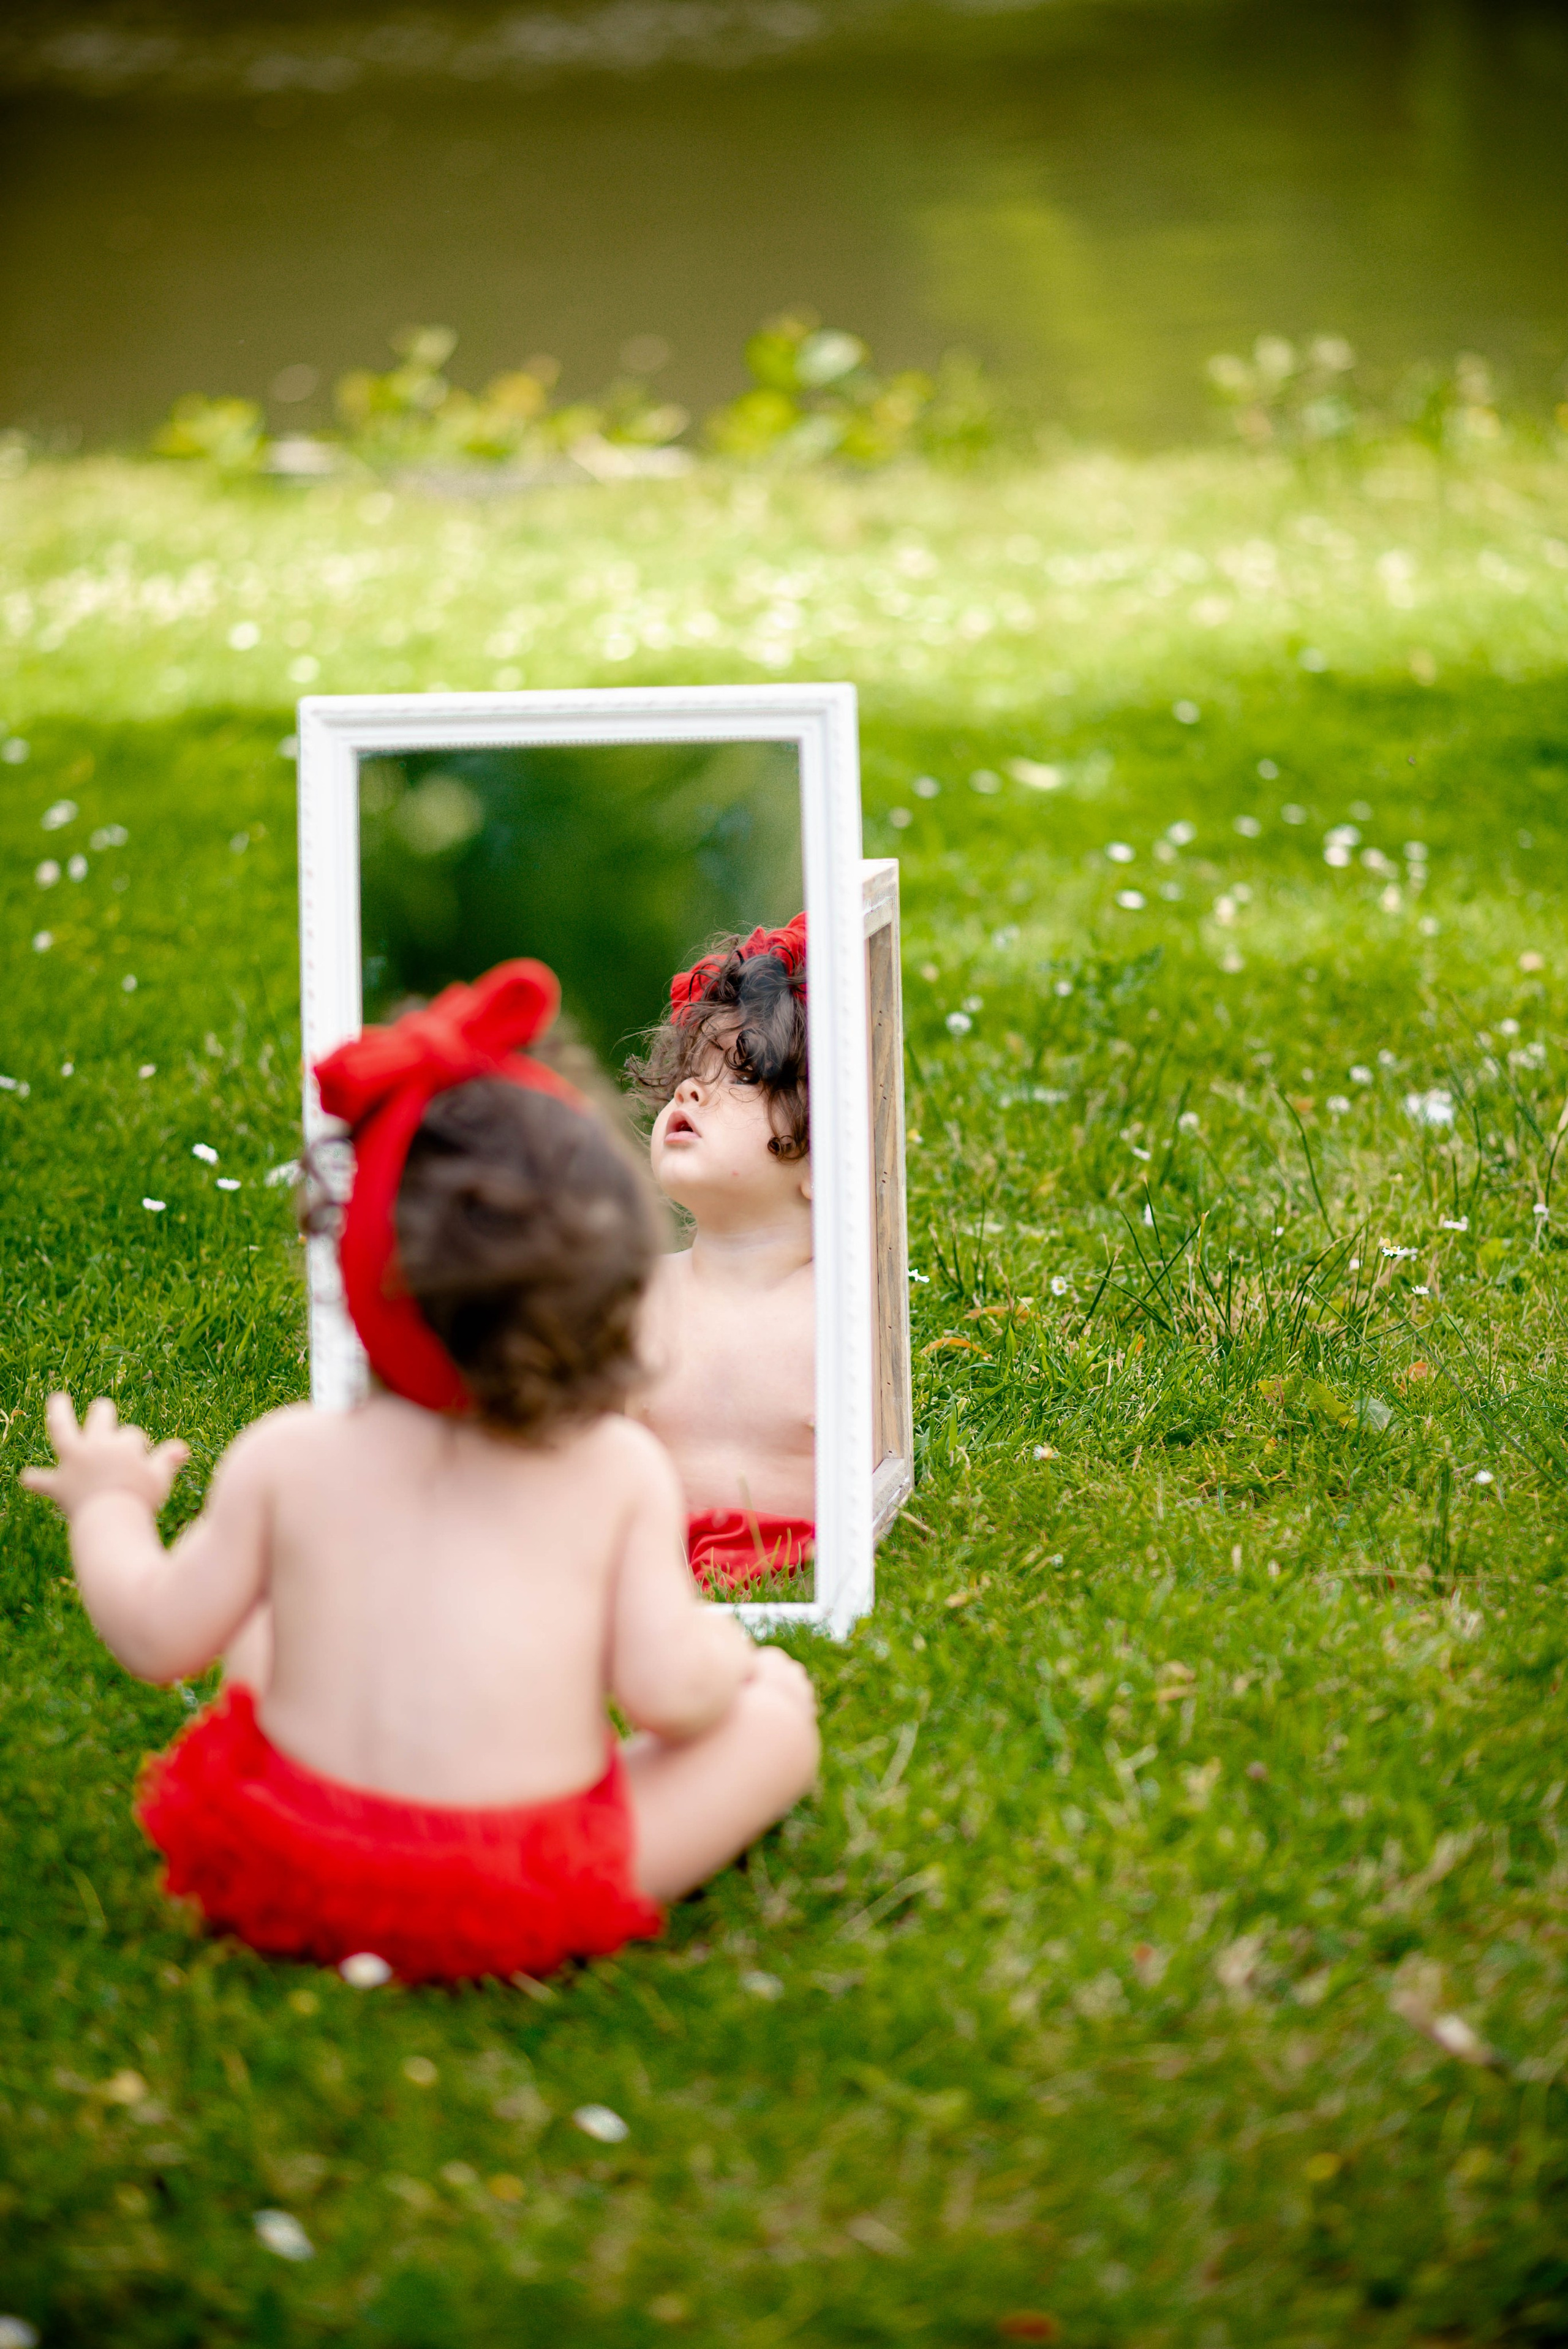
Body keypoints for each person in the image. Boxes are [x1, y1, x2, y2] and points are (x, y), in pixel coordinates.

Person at [21, 959, 818, 1984]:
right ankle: (774, 1712)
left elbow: (154, 1632)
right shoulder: (614, 1470)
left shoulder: (287, 1453)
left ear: (357, 1270)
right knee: (769, 1730)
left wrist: (111, 1505)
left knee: (267, 1614)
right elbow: (671, 1692)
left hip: (292, 1867)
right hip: (506, 1895)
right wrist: (741, 1671)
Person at [626, 916, 815, 1595]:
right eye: (688, 1072)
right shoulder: (634, 1299)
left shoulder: (842, 1309)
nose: (688, 1091)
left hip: (798, 1577)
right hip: (651, 1585)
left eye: (739, 1076)